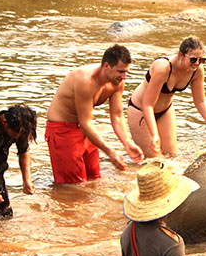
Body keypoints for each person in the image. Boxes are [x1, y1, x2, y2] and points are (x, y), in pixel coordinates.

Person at [46, 45, 143, 184]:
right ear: (106, 66)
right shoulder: (86, 81)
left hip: (86, 130)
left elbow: (116, 115)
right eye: (120, 71)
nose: (124, 77)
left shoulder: (117, 83)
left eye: (126, 71)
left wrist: (126, 142)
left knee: (94, 179)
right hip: (63, 130)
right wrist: (110, 152)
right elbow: (85, 122)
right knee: (73, 186)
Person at [128, 37, 206, 158]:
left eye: (202, 60)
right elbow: (148, 105)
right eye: (193, 59)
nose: (197, 63)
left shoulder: (197, 70)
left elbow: (200, 102)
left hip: (165, 110)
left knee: (171, 157)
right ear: (181, 55)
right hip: (140, 110)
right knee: (154, 160)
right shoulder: (163, 68)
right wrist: (154, 134)